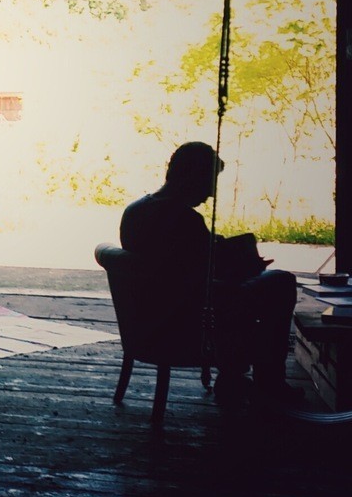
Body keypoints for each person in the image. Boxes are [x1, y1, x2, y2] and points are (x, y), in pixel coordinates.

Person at [119, 141, 301, 409]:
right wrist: (247, 266)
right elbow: (207, 275)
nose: (211, 193)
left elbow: (181, 266)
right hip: (184, 323)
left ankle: (234, 376)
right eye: (209, 182)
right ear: (192, 177)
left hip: (151, 316)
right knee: (280, 282)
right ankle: (268, 381)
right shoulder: (185, 219)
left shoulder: (135, 211)